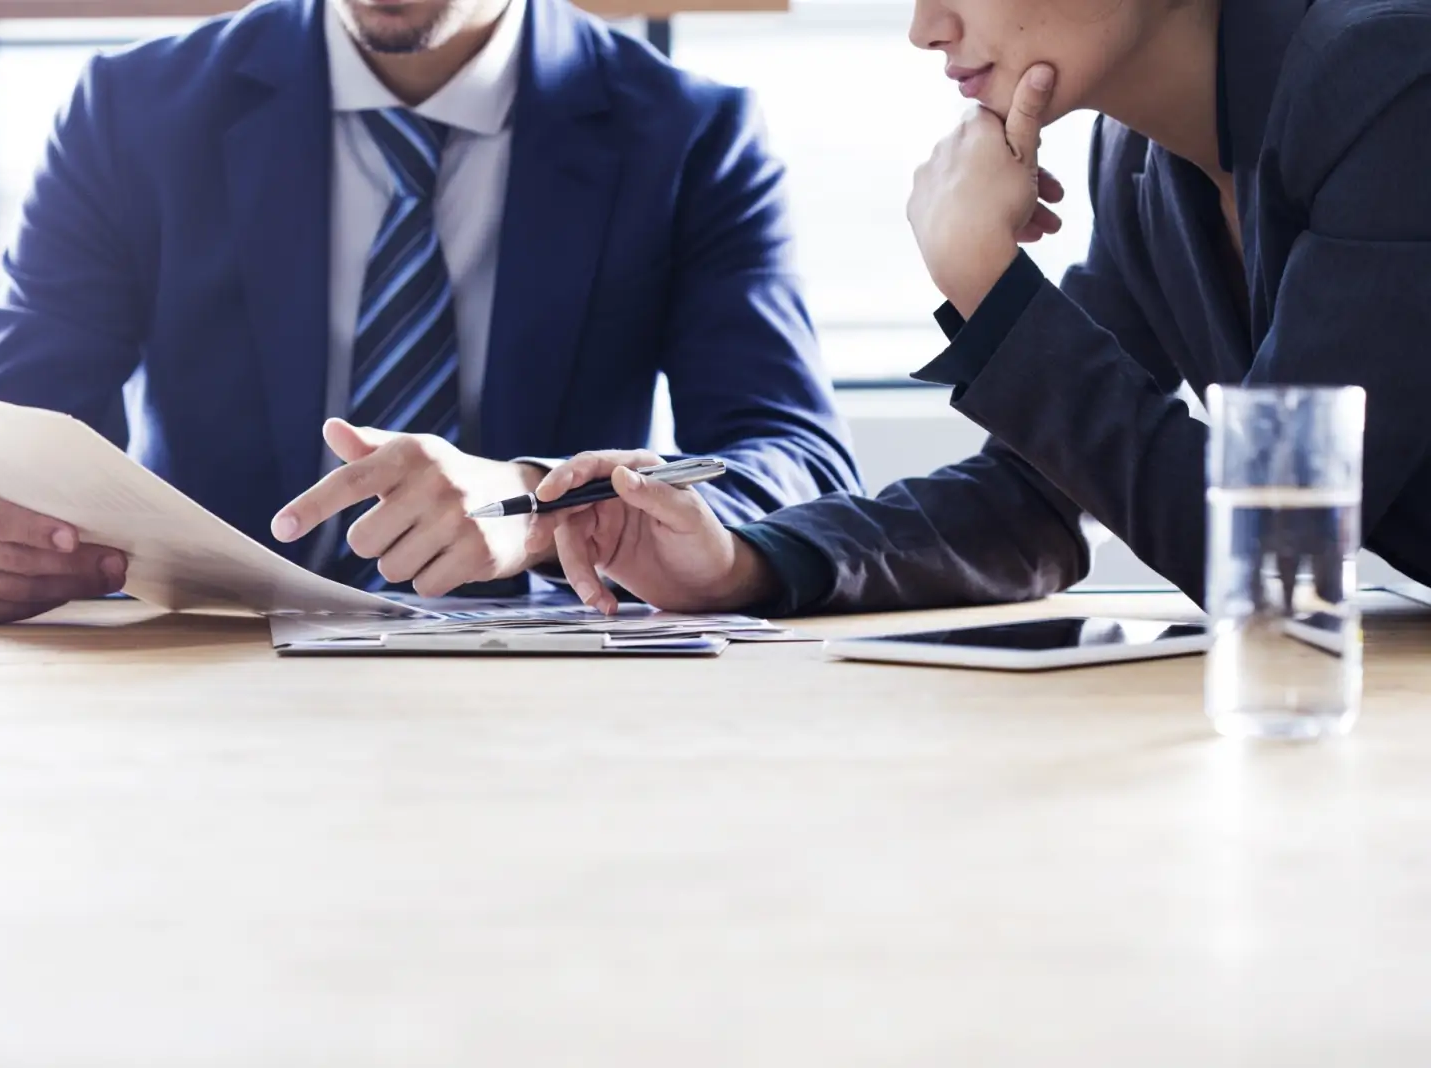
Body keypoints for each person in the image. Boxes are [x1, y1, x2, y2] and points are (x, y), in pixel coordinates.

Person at [0, 0, 861, 624]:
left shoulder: (692, 135)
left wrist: (543, 505)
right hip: (206, 689)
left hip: (550, 684)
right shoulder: (134, 110)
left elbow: (795, 462)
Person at [526, 0, 1431, 617]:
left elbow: (1276, 557)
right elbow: (1037, 495)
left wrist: (992, 288)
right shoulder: (1142, 165)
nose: (925, 26)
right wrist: (741, 562)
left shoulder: (1393, 79)